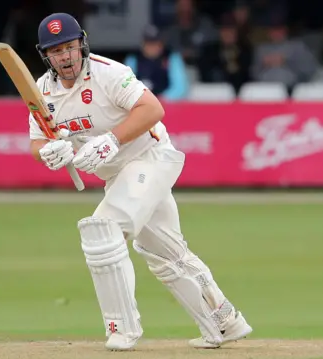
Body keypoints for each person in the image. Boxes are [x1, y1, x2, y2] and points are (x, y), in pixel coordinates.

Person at [28, 13, 252, 351]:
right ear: (46, 55)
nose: (65, 57)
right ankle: (225, 320)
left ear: (81, 45)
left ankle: (122, 328)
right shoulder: (41, 91)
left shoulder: (108, 72)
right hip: (119, 176)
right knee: (164, 252)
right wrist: (49, 152)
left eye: (70, 48)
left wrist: (111, 140)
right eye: (57, 51)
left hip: (151, 157)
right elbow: (36, 141)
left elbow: (152, 109)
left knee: (102, 229)